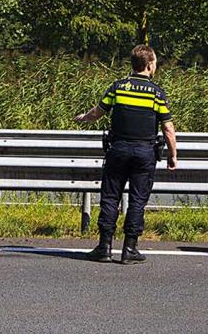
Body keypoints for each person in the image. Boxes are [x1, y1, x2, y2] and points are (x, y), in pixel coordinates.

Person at [74, 44, 177, 264]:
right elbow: (168, 128)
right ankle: (130, 249)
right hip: (144, 152)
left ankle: (104, 247)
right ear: (149, 65)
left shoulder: (118, 88)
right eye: (155, 63)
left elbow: (97, 112)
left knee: (110, 197)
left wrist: (83, 117)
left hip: (118, 150)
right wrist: (173, 155)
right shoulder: (157, 93)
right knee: (138, 200)